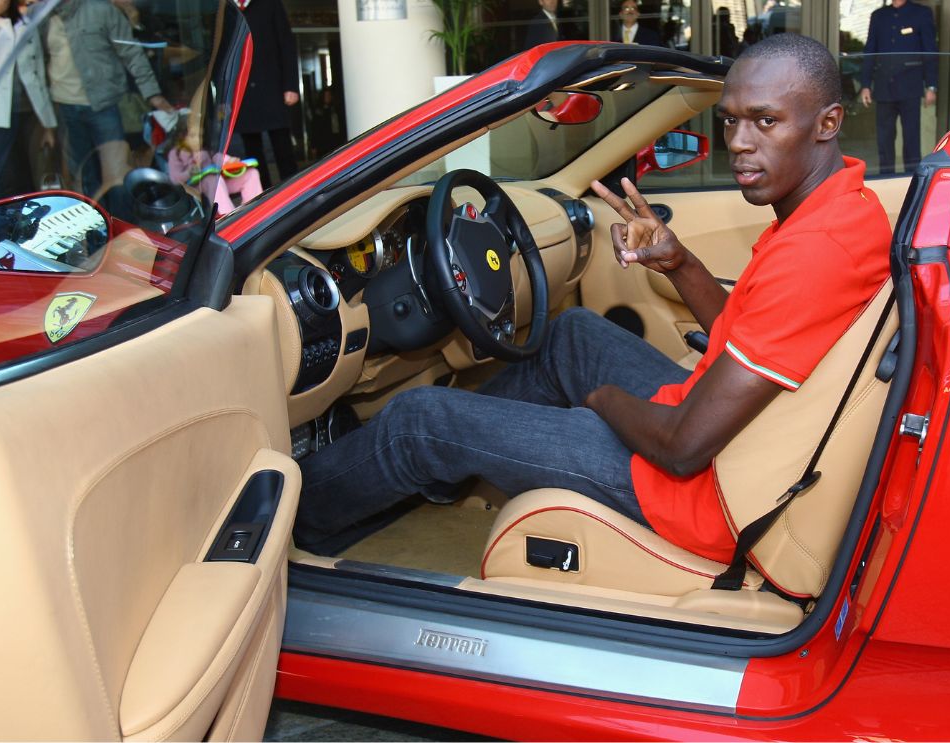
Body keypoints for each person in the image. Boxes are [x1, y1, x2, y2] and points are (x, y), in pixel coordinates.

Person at [292, 33, 892, 564]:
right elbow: (751, 330)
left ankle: (293, 527)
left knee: (418, 422)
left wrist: (602, 402)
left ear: (828, 123)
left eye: (765, 122)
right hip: (732, 441)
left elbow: (681, 449)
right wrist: (679, 263)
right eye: (730, 120)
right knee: (569, 333)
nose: (738, 142)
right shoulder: (839, 211)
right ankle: (443, 470)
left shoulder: (818, 251)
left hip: (699, 494)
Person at [43, 0, 174, 199]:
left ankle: (122, 222)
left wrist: (153, 95)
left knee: (116, 175)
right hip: (65, 107)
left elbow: (132, 54)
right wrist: (46, 117)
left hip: (104, 104)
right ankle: (95, 224)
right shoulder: (42, 18)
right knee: (82, 177)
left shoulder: (101, 10)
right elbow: (37, 64)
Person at [0, 0, 56, 201]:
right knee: (5, 179)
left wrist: (47, 123)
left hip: (29, 112)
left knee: (32, 178)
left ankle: (29, 225)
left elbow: (38, 71)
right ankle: (7, 225)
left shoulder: (24, 18)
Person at [857, 0, 937, 175]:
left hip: (910, 87)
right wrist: (865, 85)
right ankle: (887, 178)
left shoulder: (921, 13)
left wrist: (931, 85)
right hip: (884, 87)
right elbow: (870, 50)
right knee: (884, 140)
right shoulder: (878, 16)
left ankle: (911, 181)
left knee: (911, 140)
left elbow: (929, 51)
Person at [234, 0, 299, 188]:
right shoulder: (227, 9)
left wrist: (291, 86)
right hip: (243, 90)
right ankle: (262, 198)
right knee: (252, 152)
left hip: (273, 86)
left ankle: (295, 191)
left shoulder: (270, 4)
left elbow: (286, 44)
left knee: (282, 146)